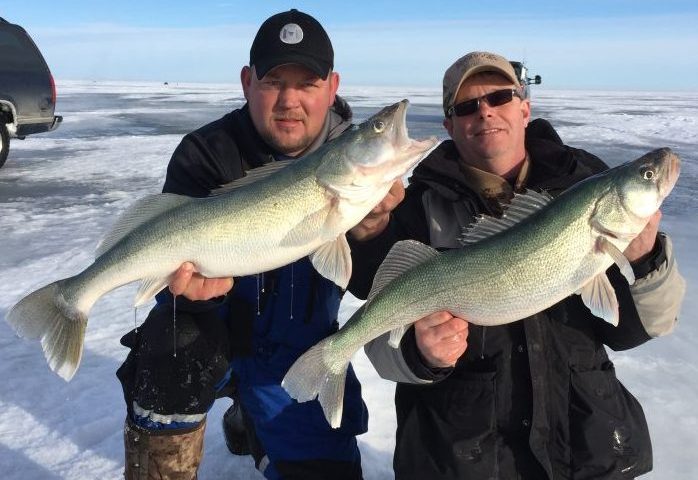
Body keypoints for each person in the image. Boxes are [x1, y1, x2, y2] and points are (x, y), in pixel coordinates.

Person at [347, 51, 686, 479]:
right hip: (462, 460)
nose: (485, 111)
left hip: (584, 451)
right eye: (467, 106)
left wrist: (647, 260)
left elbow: (634, 330)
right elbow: (380, 329)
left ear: (524, 107)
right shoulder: (415, 210)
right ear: (449, 125)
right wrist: (419, 354)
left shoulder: (584, 183)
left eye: (500, 97)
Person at [116, 9, 368, 480]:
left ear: (332, 87)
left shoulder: (358, 166)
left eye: (308, 84)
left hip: (297, 347)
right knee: (172, 348)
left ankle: (256, 421)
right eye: (274, 81)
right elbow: (171, 259)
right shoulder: (207, 151)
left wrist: (372, 232)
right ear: (247, 82)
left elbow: (373, 281)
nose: (289, 100)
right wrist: (185, 294)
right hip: (214, 331)